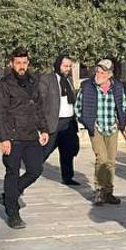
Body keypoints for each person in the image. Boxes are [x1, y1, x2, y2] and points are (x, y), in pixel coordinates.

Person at [0, 48, 49, 229]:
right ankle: (13, 213)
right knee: (12, 172)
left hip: (31, 135)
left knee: (35, 169)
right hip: (13, 136)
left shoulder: (33, 81)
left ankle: (10, 195)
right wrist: (3, 138)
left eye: (24, 62)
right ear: (12, 63)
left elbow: (38, 107)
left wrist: (44, 129)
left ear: (28, 63)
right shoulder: (4, 84)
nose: (21, 66)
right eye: (18, 63)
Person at [75, 59, 126, 206]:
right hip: (96, 127)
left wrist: (119, 120)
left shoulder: (117, 87)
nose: (98, 75)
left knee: (111, 161)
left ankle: (108, 192)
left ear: (110, 74)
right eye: (97, 72)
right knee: (102, 158)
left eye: (102, 73)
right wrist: (87, 122)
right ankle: (99, 190)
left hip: (112, 127)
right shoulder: (87, 86)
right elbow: (78, 107)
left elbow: (123, 104)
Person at [39, 54, 81, 186]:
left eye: (69, 66)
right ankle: (32, 169)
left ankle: (67, 177)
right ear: (58, 65)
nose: (67, 69)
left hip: (68, 121)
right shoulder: (47, 79)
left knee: (68, 150)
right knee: (46, 149)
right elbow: (40, 101)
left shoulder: (69, 80)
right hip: (54, 121)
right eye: (65, 66)